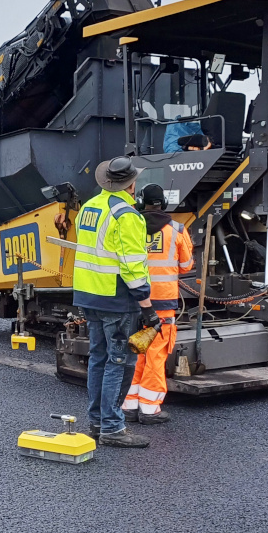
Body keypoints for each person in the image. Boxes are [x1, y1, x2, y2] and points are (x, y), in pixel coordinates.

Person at [72, 156, 157, 449]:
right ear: (131, 184)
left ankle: (96, 422)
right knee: (120, 361)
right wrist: (148, 307)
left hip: (88, 295)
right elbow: (132, 266)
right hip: (117, 299)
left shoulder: (89, 208)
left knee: (98, 358)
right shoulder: (127, 216)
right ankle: (112, 427)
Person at [123, 184, 194, 424]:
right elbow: (186, 266)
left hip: (134, 300)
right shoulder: (176, 230)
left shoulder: (131, 226)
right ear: (162, 203)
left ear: (141, 203)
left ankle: (130, 406)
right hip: (163, 302)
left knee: (136, 351)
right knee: (155, 354)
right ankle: (150, 409)